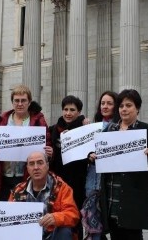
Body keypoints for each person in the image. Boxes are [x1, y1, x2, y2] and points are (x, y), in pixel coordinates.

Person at [96, 89, 148, 240]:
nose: (124, 109)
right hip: (111, 192)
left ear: (137, 108)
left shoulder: (147, 129)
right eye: (121, 106)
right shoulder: (109, 130)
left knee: (133, 235)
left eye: (129, 105)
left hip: (133, 195)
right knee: (115, 233)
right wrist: (93, 156)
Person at [0, 151, 80, 240]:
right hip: (25, 236)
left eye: (40, 163)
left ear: (47, 166)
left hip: (52, 236)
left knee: (64, 231)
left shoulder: (61, 187)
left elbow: (73, 215)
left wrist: (56, 218)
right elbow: (9, 219)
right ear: (27, 168)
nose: (36, 167)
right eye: (31, 164)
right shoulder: (18, 190)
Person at [0, 84, 52, 201]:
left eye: (23, 100)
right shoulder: (1, 121)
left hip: (27, 177)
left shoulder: (38, 122)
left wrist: (50, 152)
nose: (20, 104)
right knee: (5, 214)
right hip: (3, 177)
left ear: (29, 102)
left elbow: (48, 144)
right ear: (12, 102)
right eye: (16, 100)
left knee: (24, 213)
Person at [50, 95, 88, 240]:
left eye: (72, 110)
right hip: (58, 181)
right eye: (65, 109)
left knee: (75, 216)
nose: (68, 113)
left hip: (78, 181)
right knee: (59, 214)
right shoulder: (54, 129)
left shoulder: (85, 129)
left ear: (79, 112)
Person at [82, 91, 118, 240]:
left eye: (109, 103)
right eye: (103, 103)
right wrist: (89, 155)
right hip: (94, 178)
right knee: (94, 221)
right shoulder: (93, 126)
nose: (105, 106)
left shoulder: (119, 126)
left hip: (111, 180)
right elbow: (85, 151)